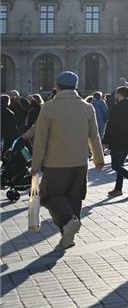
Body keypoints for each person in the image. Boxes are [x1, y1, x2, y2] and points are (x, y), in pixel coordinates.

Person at [29, 71, 105, 251]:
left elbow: (40, 139)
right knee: (74, 198)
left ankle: (69, 223)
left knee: (49, 196)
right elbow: (94, 136)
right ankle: (67, 238)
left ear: (57, 86)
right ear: (76, 86)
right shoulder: (87, 107)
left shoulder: (48, 107)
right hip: (80, 162)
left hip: (55, 163)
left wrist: (35, 165)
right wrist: (98, 158)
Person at [103, 86, 128, 197]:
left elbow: (111, 126)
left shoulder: (116, 108)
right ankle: (118, 189)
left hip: (117, 140)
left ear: (119, 94)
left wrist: (105, 140)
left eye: (116, 94)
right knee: (120, 165)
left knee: (115, 166)